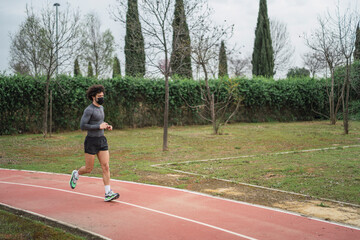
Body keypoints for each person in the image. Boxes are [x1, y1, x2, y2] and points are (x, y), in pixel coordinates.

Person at [69, 84, 119, 202]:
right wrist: (98, 126)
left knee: (106, 166)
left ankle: (108, 193)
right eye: (99, 96)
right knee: (88, 168)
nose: (102, 98)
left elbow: (99, 122)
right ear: (93, 97)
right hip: (91, 141)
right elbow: (83, 126)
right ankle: (76, 173)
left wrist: (106, 126)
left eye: (102, 96)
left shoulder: (101, 108)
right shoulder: (89, 110)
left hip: (101, 140)